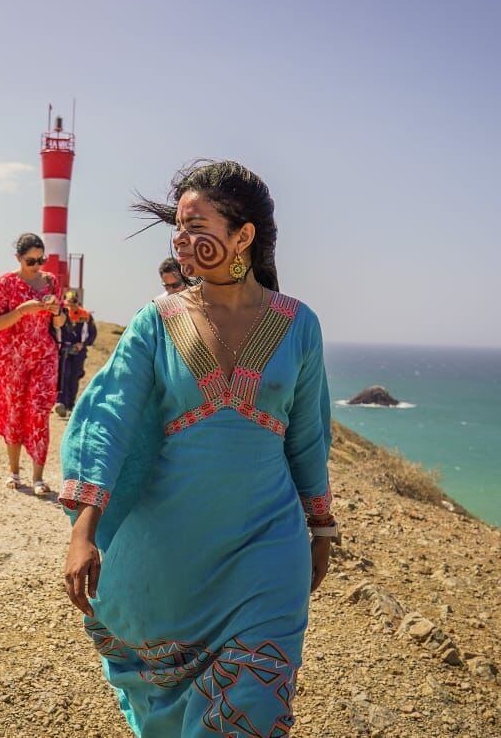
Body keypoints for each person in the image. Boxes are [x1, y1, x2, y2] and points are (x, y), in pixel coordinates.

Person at [59, 160, 336, 736]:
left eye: (195, 227)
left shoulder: (299, 325)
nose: (180, 240)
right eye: (177, 229)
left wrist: (321, 527)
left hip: (268, 546)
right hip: (171, 553)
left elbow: (308, 437)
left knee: (252, 703)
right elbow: (110, 418)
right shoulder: (156, 322)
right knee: (173, 710)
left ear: (244, 235)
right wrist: (84, 528)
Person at [0, 233, 67, 496]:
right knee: (15, 413)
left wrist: (56, 312)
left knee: (40, 411)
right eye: (31, 261)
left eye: (41, 259)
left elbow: (60, 322)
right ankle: (14, 472)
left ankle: (38, 478)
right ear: (18, 258)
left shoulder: (51, 282)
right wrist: (21, 311)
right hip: (13, 358)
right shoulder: (6, 283)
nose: (37, 265)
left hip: (44, 355)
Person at [53, 291, 96, 418]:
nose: (71, 306)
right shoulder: (60, 313)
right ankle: (60, 403)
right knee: (63, 375)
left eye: (74, 302)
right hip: (63, 350)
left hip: (79, 352)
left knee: (74, 377)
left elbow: (92, 334)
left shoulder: (85, 316)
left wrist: (83, 344)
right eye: (68, 303)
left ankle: (70, 406)